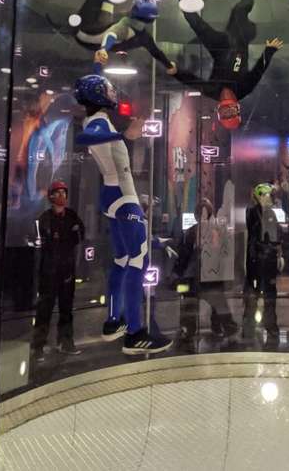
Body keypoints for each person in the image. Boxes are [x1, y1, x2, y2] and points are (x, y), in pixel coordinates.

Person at [74, 73, 173, 355]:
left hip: (112, 195)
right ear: (96, 95)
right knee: (138, 261)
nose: (112, 92)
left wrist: (99, 60)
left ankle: (113, 321)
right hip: (122, 197)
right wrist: (123, 135)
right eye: (106, 89)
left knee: (122, 260)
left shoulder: (94, 118)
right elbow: (84, 137)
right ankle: (135, 333)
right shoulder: (97, 123)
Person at [166, 0, 282, 129]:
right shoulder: (244, 89)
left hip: (219, 47)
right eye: (231, 112)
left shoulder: (212, 92)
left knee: (194, 22)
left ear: (219, 111)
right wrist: (269, 51)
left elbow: (192, 81)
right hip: (239, 40)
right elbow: (258, 71)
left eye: (224, 113)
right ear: (237, 109)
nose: (227, 110)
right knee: (240, 9)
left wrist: (176, 72)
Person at [174, 198, 239, 346]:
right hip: (202, 275)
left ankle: (192, 330)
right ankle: (220, 329)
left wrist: (178, 272)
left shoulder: (199, 230)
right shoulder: (201, 231)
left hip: (201, 275)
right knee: (214, 303)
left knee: (205, 304)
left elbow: (185, 255)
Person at [31, 180, 84, 360]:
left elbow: (79, 235)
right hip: (49, 271)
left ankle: (65, 342)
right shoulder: (45, 218)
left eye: (64, 193)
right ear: (51, 197)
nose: (62, 196)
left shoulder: (71, 215)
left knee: (66, 309)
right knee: (44, 310)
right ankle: (38, 347)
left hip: (67, 270)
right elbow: (44, 241)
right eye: (58, 193)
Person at [243, 183, 283, 349]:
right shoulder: (253, 212)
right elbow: (255, 234)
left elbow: (276, 235)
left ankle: (271, 327)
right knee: (253, 295)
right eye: (267, 195)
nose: (269, 199)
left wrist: (278, 253)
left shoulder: (270, 213)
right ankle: (249, 328)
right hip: (256, 260)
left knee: (269, 296)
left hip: (268, 260)